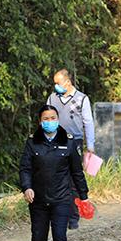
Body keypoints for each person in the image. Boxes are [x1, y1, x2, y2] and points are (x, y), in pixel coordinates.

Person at [19, 105, 89, 241]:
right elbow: (25, 168)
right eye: (46, 119)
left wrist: (83, 197)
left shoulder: (68, 142)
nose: (50, 121)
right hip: (38, 201)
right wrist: (27, 187)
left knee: (60, 238)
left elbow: (77, 172)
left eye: (53, 118)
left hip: (62, 199)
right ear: (40, 122)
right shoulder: (33, 143)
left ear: (58, 120)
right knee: (38, 240)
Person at [46, 69, 95, 230]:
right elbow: (46, 118)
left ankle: (73, 217)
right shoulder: (53, 98)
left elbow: (88, 122)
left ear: (67, 82)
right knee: (57, 178)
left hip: (75, 142)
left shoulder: (82, 99)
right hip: (56, 141)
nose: (56, 86)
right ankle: (60, 214)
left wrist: (91, 146)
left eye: (58, 83)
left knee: (73, 179)